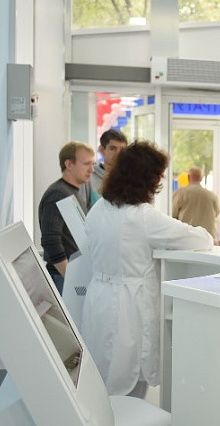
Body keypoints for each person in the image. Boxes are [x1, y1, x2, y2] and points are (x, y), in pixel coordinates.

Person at [80, 141, 213, 397]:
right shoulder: (142, 217)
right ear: (146, 179)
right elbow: (200, 239)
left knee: (101, 376)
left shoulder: (99, 209)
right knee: (127, 379)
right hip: (130, 305)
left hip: (99, 300)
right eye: (158, 176)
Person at [38, 141, 95, 293]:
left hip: (71, 276)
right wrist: (70, 279)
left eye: (93, 164)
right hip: (62, 278)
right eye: (86, 164)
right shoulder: (58, 194)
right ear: (69, 164)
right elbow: (50, 240)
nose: (92, 169)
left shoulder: (72, 192)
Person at [80, 128, 128, 206]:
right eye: (112, 149)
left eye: (122, 150)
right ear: (102, 150)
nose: (118, 154)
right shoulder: (88, 176)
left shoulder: (130, 178)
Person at [172, 167, 220, 238]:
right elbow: (217, 213)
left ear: (188, 177)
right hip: (208, 238)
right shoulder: (211, 195)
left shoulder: (180, 193)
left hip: (187, 237)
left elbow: (173, 214)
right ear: (201, 178)